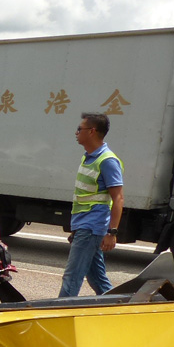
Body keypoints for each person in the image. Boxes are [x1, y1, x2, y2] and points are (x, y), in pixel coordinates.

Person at [58, 112, 124, 297]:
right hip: (84, 225)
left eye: (80, 129)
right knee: (98, 280)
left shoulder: (107, 161)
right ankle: (118, 311)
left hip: (92, 227)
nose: (76, 132)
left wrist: (112, 232)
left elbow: (118, 198)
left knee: (72, 278)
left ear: (92, 131)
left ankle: (60, 316)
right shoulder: (88, 157)